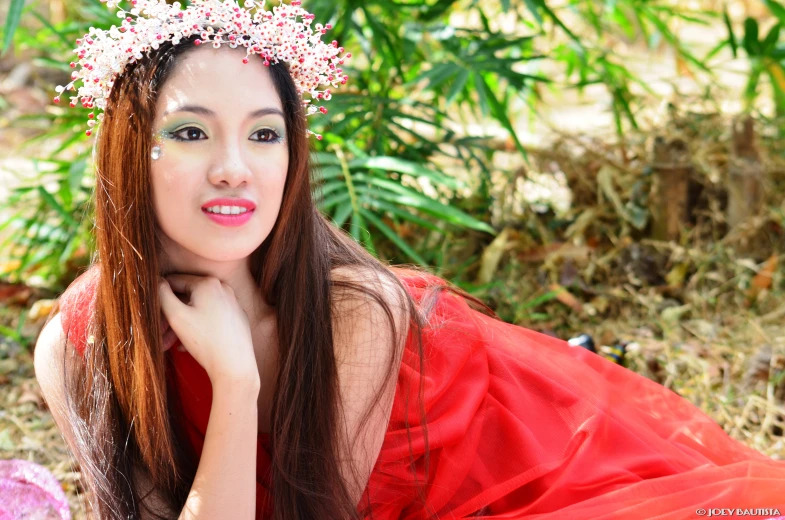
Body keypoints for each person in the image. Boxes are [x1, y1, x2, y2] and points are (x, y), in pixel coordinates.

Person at [32, 0, 785, 519]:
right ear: (131, 152)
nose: (235, 167)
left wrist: (236, 377)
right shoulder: (77, 345)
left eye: (265, 135)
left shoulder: (355, 312)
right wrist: (232, 380)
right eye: (192, 134)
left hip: (522, 485)